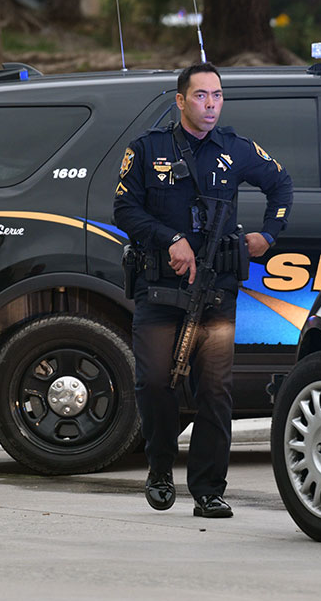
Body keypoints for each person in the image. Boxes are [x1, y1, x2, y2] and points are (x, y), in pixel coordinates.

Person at [113, 63, 292, 518]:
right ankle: (158, 469)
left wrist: (268, 235)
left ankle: (209, 489)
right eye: (200, 96)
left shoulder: (235, 149)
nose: (210, 104)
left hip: (216, 290)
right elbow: (123, 207)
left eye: (216, 96)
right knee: (154, 382)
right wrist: (168, 239)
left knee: (214, 390)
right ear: (180, 100)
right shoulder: (147, 149)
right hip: (159, 288)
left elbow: (281, 183)